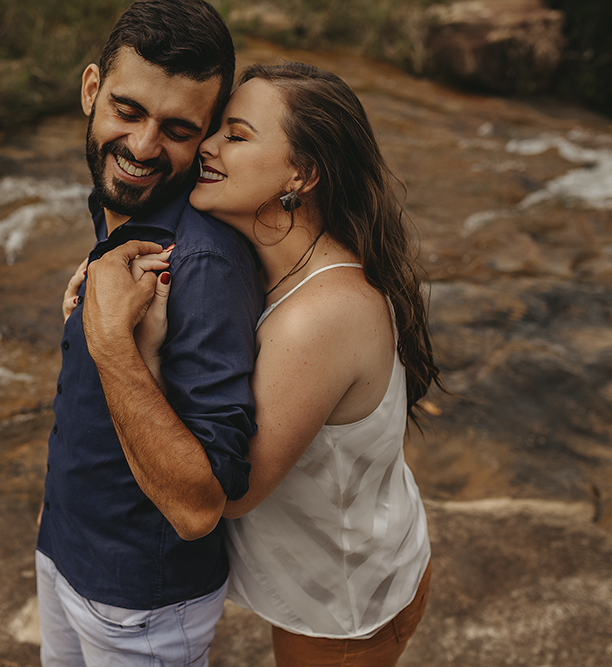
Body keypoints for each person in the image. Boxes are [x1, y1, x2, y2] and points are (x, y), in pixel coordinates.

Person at [81, 62, 443, 666]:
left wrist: (135, 348)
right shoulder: (277, 257)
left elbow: (234, 492)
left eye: (237, 135)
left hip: (342, 604)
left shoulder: (320, 317)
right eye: (215, 129)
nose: (207, 147)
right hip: (347, 566)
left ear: (301, 173)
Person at [34, 1, 264, 666]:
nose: (141, 147)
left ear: (208, 136)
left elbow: (199, 506)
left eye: (177, 129)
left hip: (140, 603)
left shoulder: (204, 261)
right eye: (128, 111)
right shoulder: (125, 207)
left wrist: (109, 342)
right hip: (66, 547)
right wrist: (56, 514)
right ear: (90, 90)